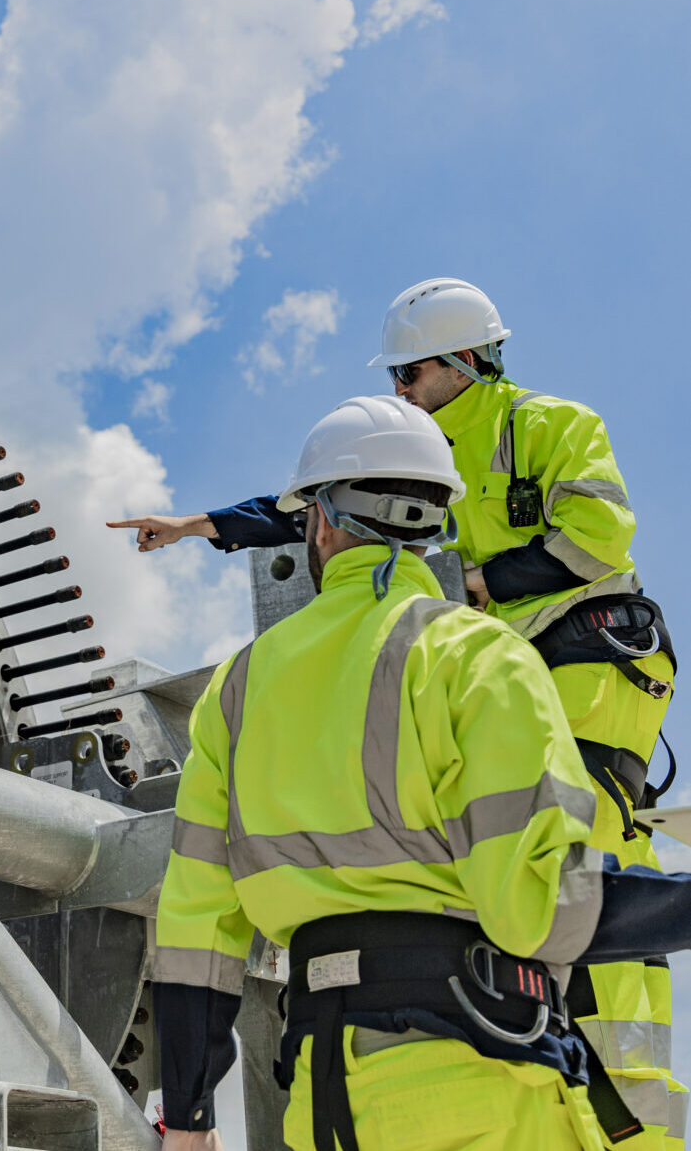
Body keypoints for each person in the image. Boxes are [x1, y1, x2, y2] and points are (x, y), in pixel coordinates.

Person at [112, 279, 685, 1148]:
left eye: (408, 372)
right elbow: (548, 911)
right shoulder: (468, 653)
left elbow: (596, 537)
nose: (398, 389)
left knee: (592, 827)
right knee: (555, 862)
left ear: (462, 360)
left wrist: (185, 1116)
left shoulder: (239, 689)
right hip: (486, 1077)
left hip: (578, 655)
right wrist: (197, 525)